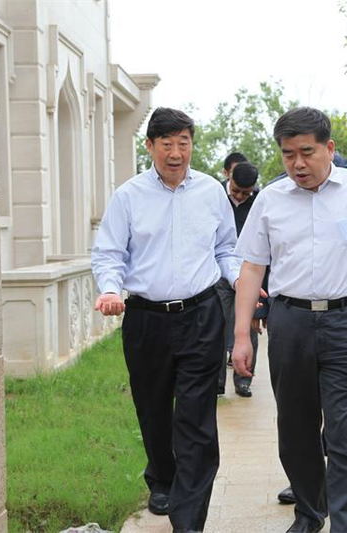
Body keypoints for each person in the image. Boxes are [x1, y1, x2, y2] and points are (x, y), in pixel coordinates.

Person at [231, 107, 347, 533]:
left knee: (342, 432)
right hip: (289, 322)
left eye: (307, 152)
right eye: (288, 154)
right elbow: (251, 268)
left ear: (329, 148)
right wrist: (241, 336)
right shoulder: (270, 199)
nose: (298, 164)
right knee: (295, 428)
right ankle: (310, 513)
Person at [91, 107, 240, 533]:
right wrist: (109, 289)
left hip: (202, 315)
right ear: (150, 146)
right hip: (146, 319)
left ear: (192, 144)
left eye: (183, 143)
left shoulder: (211, 192)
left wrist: (240, 281)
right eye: (167, 144)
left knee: (195, 419)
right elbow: (109, 253)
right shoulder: (129, 196)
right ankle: (162, 477)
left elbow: (226, 248)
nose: (176, 153)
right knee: (153, 408)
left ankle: (188, 519)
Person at [215, 158, 265, 397]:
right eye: (236, 191)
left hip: (249, 273)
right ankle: (217, 381)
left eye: (247, 193)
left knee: (247, 326)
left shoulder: (260, 202)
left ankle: (243, 379)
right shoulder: (215, 197)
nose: (240, 196)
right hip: (218, 272)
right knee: (216, 326)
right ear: (229, 178)